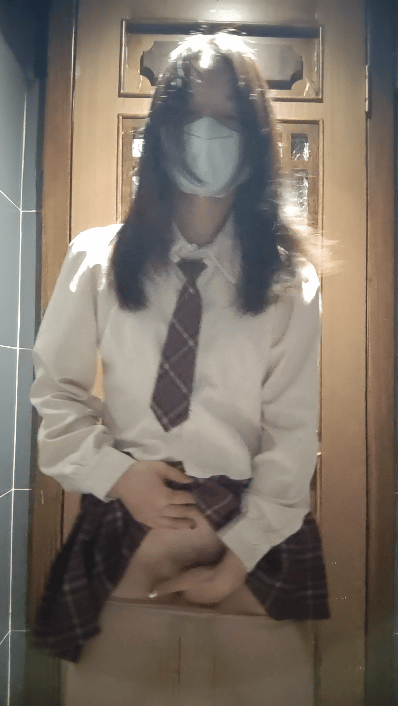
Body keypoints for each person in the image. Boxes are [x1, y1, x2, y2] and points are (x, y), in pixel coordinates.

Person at [30, 32, 329, 664]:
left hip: (251, 557)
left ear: (256, 138)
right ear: (163, 133)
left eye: (228, 118)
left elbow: (291, 435)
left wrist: (235, 561)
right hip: (124, 542)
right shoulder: (96, 259)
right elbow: (55, 397)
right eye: (191, 115)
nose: (208, 133)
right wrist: (118, 475)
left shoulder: (289, 282)